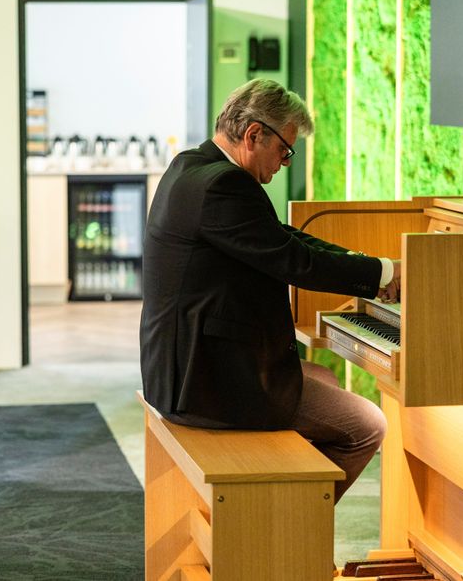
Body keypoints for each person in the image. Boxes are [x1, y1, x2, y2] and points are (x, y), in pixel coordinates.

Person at [140, 78, 398, 509]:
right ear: (254, 134)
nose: (284, 163)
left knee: (322, 378)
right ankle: (294, 528)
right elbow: (294, 261)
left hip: (180, 365)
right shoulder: (225, 185)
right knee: (368, 425)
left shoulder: (192, 166)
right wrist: (382, 274)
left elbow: (282, 237)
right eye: (284, 150)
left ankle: (283, 511)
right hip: (204, 382)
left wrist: (371, 265)